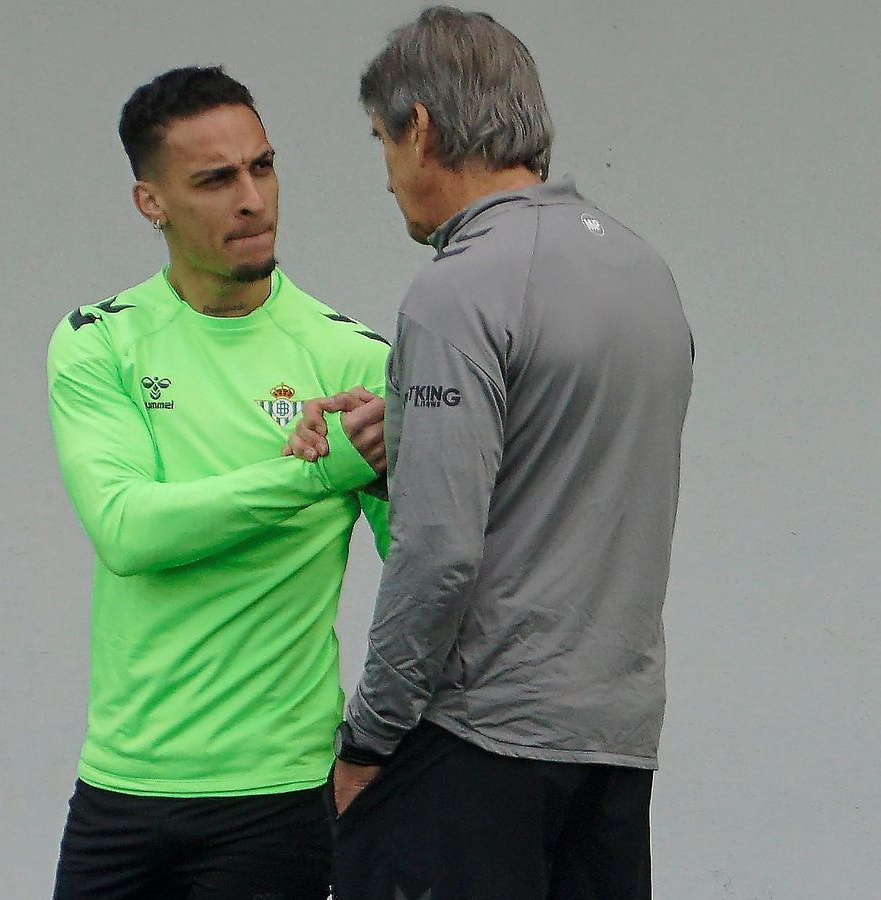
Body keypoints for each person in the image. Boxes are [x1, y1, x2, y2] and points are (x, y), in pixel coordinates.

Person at [289, 8, 694, 899]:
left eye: (381, 142)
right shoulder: (647, 275)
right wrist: (412, 435)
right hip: (614, 745)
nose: (387, 177)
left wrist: (367, 740)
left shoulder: (457, 290)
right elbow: (572, 470)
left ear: (420, 127)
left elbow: (437, 552)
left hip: (480, 742)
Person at [46, 66, 391, 900]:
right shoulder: (99, 342)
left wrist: (380, 748)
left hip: (280, 794)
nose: (252, 199)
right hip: (122, 785)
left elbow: (432, 575)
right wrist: (321, 472)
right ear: (151, 202)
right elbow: (128, 530)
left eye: (262, 167)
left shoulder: (353, 360)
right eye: (215, 180)